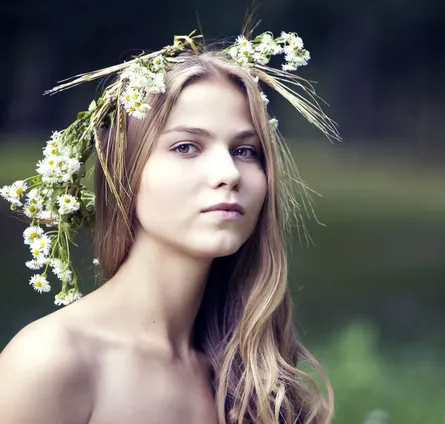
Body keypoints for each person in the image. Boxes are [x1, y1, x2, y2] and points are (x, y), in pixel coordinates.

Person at [0, 27, 339, 424]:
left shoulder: (254, 377)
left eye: (245, 151)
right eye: (186, 147)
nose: (229, 173)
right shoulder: (52, 361)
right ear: (122, 173)